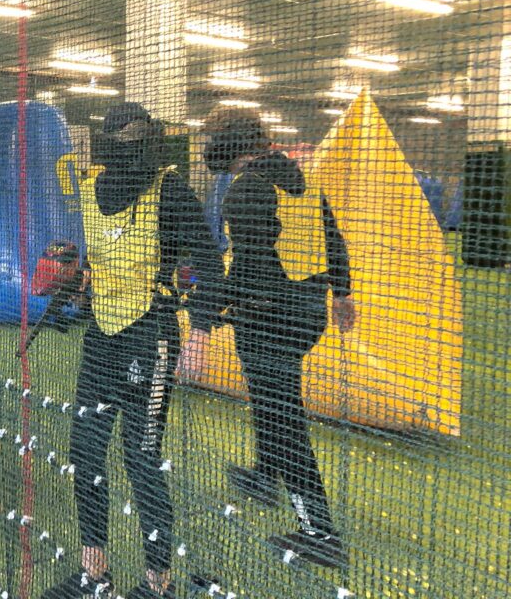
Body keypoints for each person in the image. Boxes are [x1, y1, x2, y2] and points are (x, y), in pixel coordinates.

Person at [44, 103, 226, 599]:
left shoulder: (171, 191)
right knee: (85, 451)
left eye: (138, 139)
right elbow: (97, 257)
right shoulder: (91, 188)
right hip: (101, 337)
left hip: (152, 336)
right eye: (123, 139)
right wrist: (78, 282)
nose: (131, 148)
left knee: (142, 460)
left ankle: (157, 584)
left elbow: (210, 264)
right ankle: (94, 572)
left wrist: (201, 333)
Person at [202, 107, 355, 569]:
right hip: (307, 312)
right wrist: (342, 294)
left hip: (270, 318)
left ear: (230, 145)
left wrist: (208, 309)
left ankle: (319, 533)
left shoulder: (246, 188)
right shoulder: (302, 177)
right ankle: (265, 475)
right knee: (268, 397)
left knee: (283, 417)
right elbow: (333, 238)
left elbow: (249, 268)